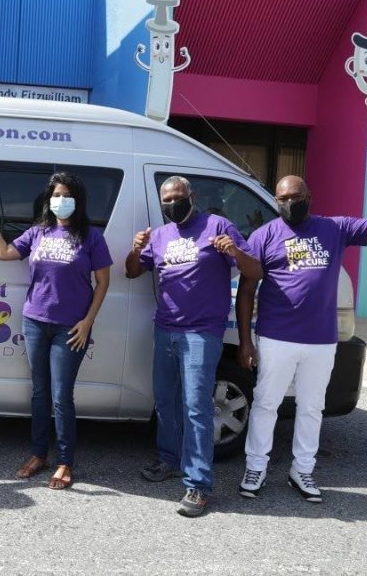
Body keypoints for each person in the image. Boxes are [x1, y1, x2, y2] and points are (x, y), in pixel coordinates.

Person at [236, 147, 367, 503]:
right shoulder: (264, 236)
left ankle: (302, 470)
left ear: (309, 198)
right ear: (276, 201)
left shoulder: (333, 228)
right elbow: (246, 292)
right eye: (283, 198)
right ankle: (255, 465)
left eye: (296, 197)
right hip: (275, 337)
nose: (290, 203)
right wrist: (246, 341)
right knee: (265, 404)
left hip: (320, 341)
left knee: (310, 407)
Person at [0, 172, 112, 490]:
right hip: (34, 321)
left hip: (70, 329)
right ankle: (38, 454)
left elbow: (103, 282)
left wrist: (88, 322)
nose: (61, 200)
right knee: (39, 393)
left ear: (78, 201)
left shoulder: (91, 237)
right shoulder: (39, 232)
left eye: (67, 195)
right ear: (49, 200)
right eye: (56, 195)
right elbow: (4, 253)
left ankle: (65, 462)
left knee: (61, 397)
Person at [125, 175, 262, 517]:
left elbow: (254, 270)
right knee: (166, 402)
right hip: (165, 329)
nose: (172, 203)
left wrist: (234, 252)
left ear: (192, 196)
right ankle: (169, 460)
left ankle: (199, 485)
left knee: (197, 408)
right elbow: (130, 272)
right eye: (166, 199)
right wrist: (135, 248)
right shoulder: (158, 235)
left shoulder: (218, 226)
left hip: (202, 332)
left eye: (177, 197)